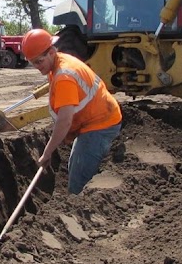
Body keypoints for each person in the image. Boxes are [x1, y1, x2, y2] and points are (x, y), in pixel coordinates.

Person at [21, 29, 122, 194]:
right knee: (75, 166)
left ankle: (80, 210)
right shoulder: (58, 63)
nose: (37, 67)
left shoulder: (64, 77)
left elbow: (65, 121)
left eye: (39, 62)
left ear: (52, 52)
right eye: (33, 63)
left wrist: (47, 153)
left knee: (78, 182)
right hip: (98, 118)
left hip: (101, 124)